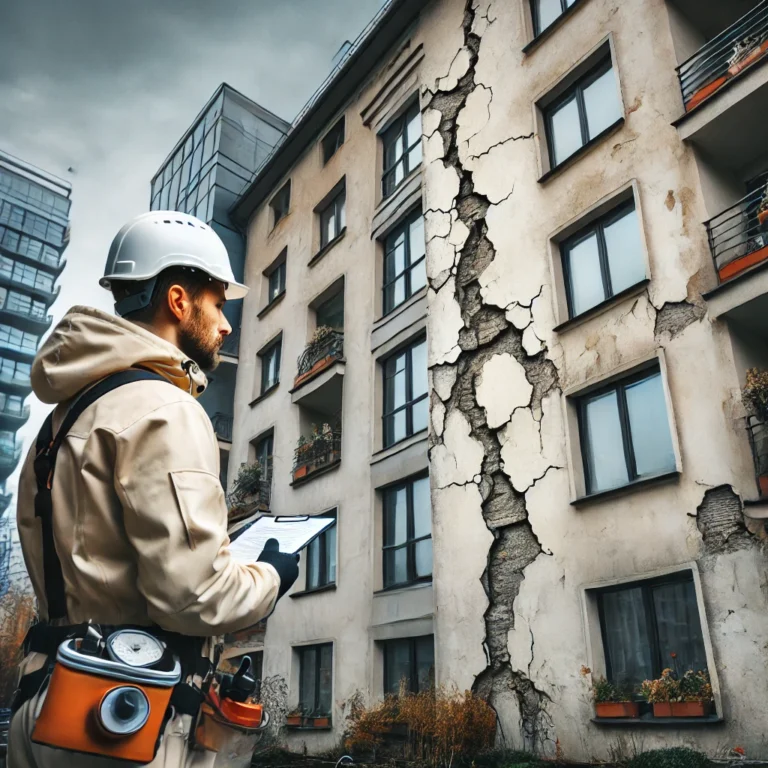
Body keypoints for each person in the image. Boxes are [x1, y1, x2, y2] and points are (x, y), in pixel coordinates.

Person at [7, 211, 299, 768]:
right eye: (218, 304)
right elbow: (194, 597)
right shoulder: (167, 409)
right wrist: (271, 575)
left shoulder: (63, 419)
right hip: (121, 722)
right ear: (178, 300)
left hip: (45, 704)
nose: (227, 325)